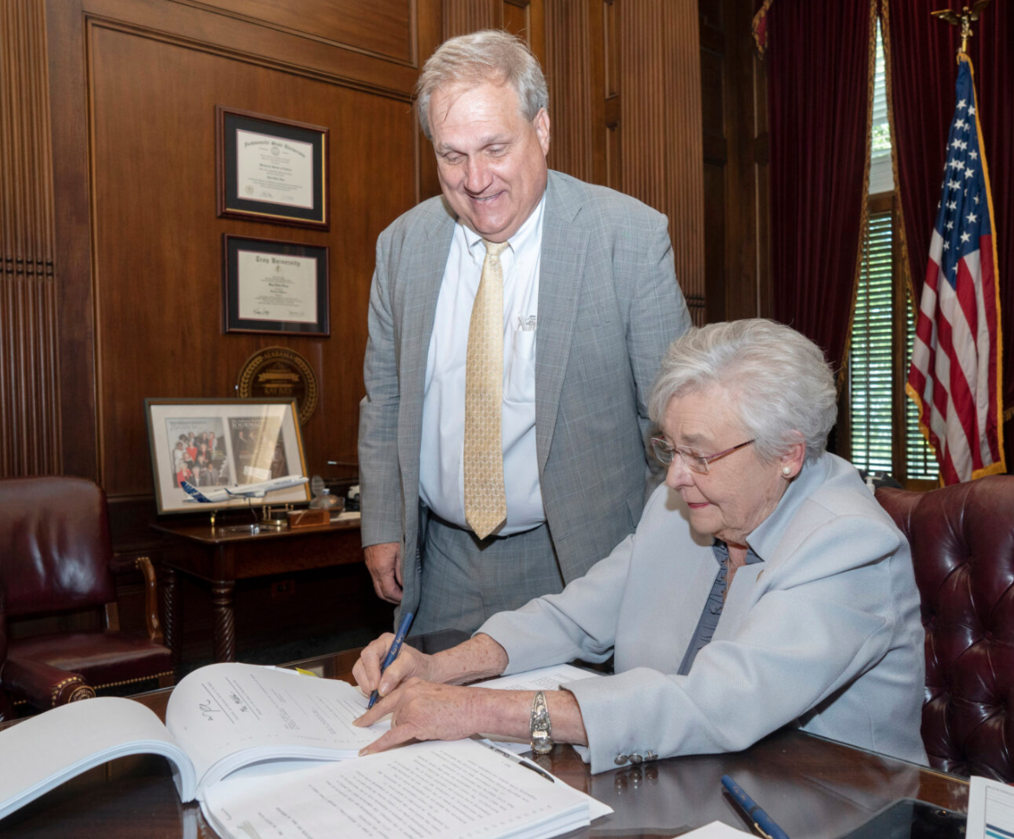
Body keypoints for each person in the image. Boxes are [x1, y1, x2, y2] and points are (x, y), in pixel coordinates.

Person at [353, 320, 927, 771]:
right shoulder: (685, 508)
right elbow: (572, 617)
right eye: (669, 448)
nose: (675, 477)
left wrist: (480, 710)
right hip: (683, 782)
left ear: (788, 454)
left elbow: (715, 703)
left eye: (699, 454)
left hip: (834, 816)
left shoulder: (850, 546)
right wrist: (439, 665)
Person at [358, 29, 690, 635]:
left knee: (561, 728)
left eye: (494, 148)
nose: (475, 179)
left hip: (581, 561)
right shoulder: (401, 247)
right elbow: (386, 403)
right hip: (442, 566)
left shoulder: (629, 240)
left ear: (541, 131)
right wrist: (382, 525)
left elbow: (670, 423)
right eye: (452, 156)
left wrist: (652, 556)